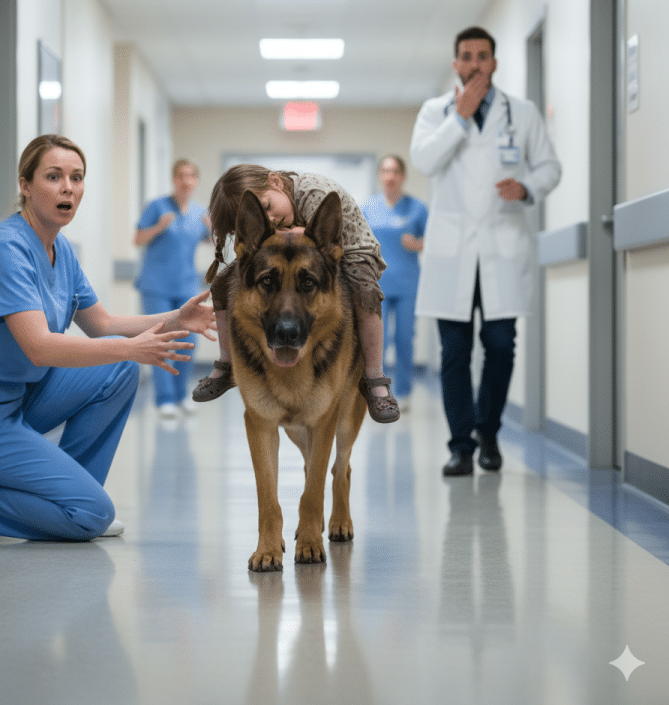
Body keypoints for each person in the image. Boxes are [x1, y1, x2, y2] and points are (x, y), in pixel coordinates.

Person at [0, 134, 216, 543]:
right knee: (90, 513)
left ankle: (64, 497)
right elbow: (39, 347)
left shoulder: (61, 249)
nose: (68, 187)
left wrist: (178, 317)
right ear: (25, 185)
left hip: (14, 398)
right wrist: (133, 347)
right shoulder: (5, 248)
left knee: (118, 370)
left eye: (77, 177)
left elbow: (102, 324)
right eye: (53, 177)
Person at [409, 26, 561, 476]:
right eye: (466, 57)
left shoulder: (524, 113)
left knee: (501, 345)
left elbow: (550, 166)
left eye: (483, 56)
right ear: (455, 64)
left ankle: (488, 432)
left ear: (494, 63)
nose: (475, 64)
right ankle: (460, 446)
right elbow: (424, 161)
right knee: (453, 354)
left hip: (502, 246)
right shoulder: (435, 112)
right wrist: (460, 117)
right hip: (452, 253)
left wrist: (528, 187)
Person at [190, 164, 400, 423]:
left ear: (276, 182)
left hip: (353, 251)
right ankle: (227, 363)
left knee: (365, 294)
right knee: (221, 283)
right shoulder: (279, 219)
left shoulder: (315, 193)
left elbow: (318, 238)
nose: (270, 222)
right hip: (303, 258)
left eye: (267, 208)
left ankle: (375, 379)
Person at [134, 159, 211, 418]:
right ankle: (164, 399)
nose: (185, 180)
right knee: (160, 342)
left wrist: (213, 229)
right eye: (180, 175)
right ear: (173, 179)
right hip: (156, 286)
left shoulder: (200, 212)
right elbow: (137, 239)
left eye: (191, 175)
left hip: (187, 285)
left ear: (196, 181)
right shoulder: (157, 207)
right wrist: (159, 227)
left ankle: (181, 395)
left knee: (188, 341)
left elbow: (214, 243)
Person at [361, 155, 428, 411]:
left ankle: (404, 393)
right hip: (376, 287)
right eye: (385, 171)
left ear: (402, 176)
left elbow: (437, 240)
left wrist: (418, 244)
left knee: (404, 339)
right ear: (380, 175)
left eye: (395, 171)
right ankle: (376, 392)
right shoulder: (368, 207)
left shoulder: (417, 208)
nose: (390, 176)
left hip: (407, 284)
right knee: (377, 342)